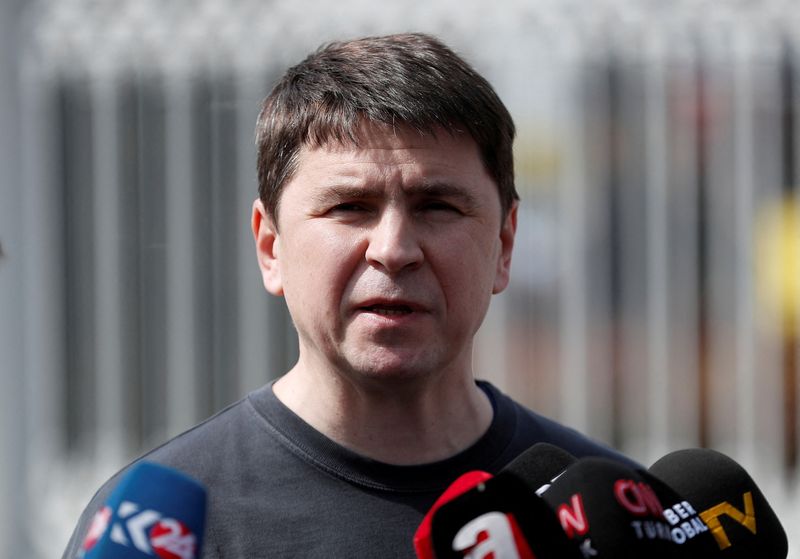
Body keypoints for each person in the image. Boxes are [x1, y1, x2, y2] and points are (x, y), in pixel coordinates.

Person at [63, 33, 636, 558]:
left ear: (505, 244)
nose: (393, 249)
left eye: (437, 206)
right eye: (349, 207)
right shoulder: (162, 533)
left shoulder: (614, 515)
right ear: (270, 247)